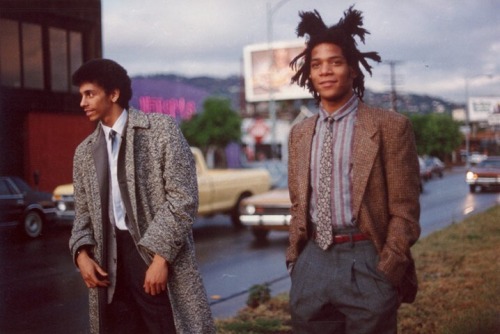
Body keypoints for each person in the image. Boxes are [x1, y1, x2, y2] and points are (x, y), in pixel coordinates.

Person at [286, 7, 421, 333]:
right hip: (313, 263)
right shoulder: (300, 133)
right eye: (316, 64)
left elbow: (405, 211)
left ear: (353, 70)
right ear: (309, 73)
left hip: (367, 260)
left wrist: (388, 267)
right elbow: (297, 205)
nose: (325, 71)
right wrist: (296, 260)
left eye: (335, 61)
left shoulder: (390, 126)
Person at [68, 58, 215, 334]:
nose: (82, 103)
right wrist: (81, 255)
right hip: (108, 261)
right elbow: (83, 213)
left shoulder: (161, 130)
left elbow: (183, 198)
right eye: (82, 95)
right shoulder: (84, 152)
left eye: (90, 94)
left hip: (153, 253)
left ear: (113, 94)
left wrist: (161, 259)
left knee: (167, 326)